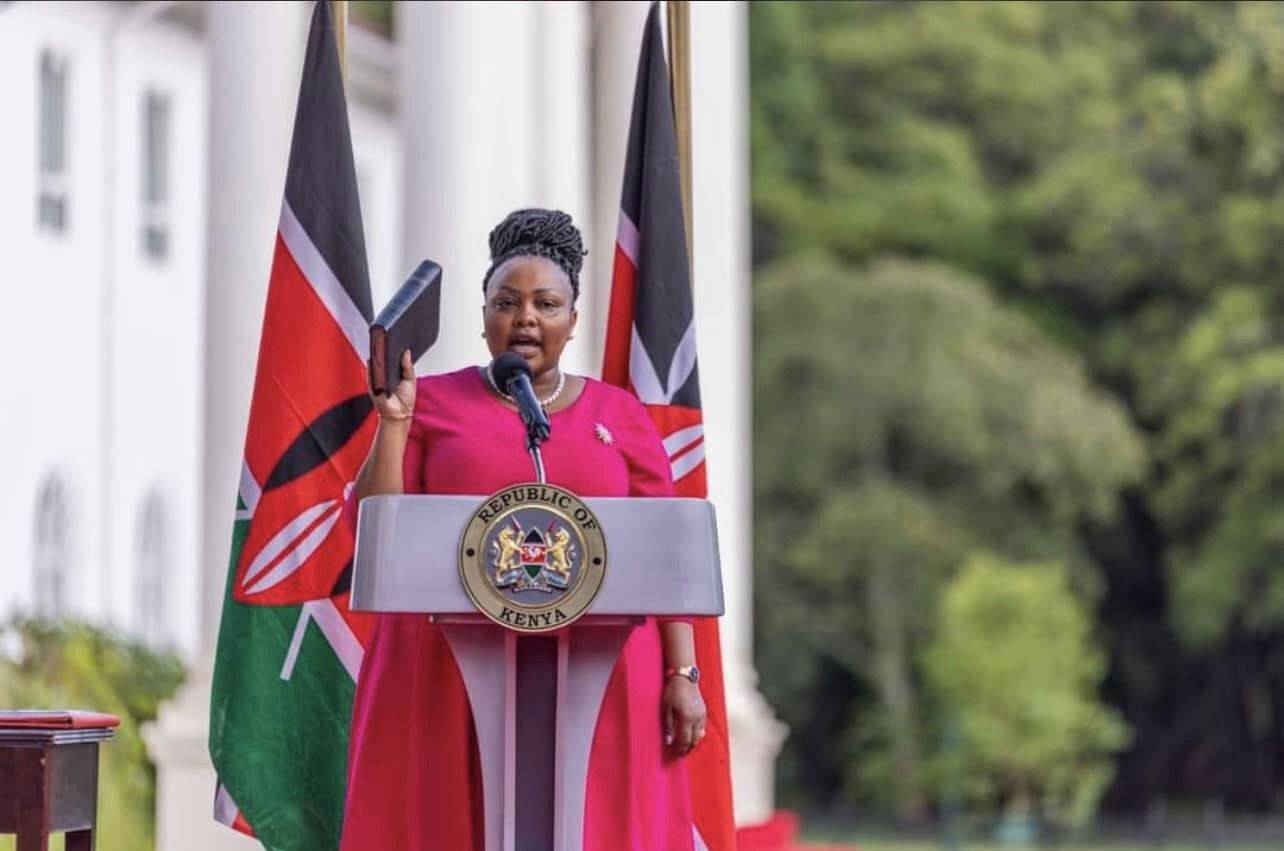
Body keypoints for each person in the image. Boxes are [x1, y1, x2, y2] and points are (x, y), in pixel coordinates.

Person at [338, 208, 707, 851]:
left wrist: (684, 674)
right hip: (446, 669)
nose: (526, 318)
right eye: (506, 302)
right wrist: (393, 423)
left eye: (546, 304)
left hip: (602, 671)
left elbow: (667, 554)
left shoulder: (619, 413)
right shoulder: (429, 403)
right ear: (483, 317)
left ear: (573, 320)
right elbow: (376, 532)